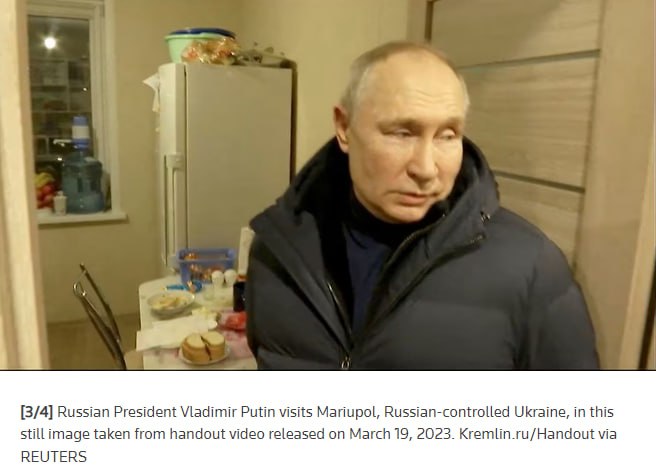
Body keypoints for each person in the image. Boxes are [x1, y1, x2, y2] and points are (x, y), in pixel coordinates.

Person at [245, 40, 599, 370]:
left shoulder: (532, 269)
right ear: (344, 126)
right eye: (402, 133)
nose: (426, 169)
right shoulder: (278, 251)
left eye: (447, 135)